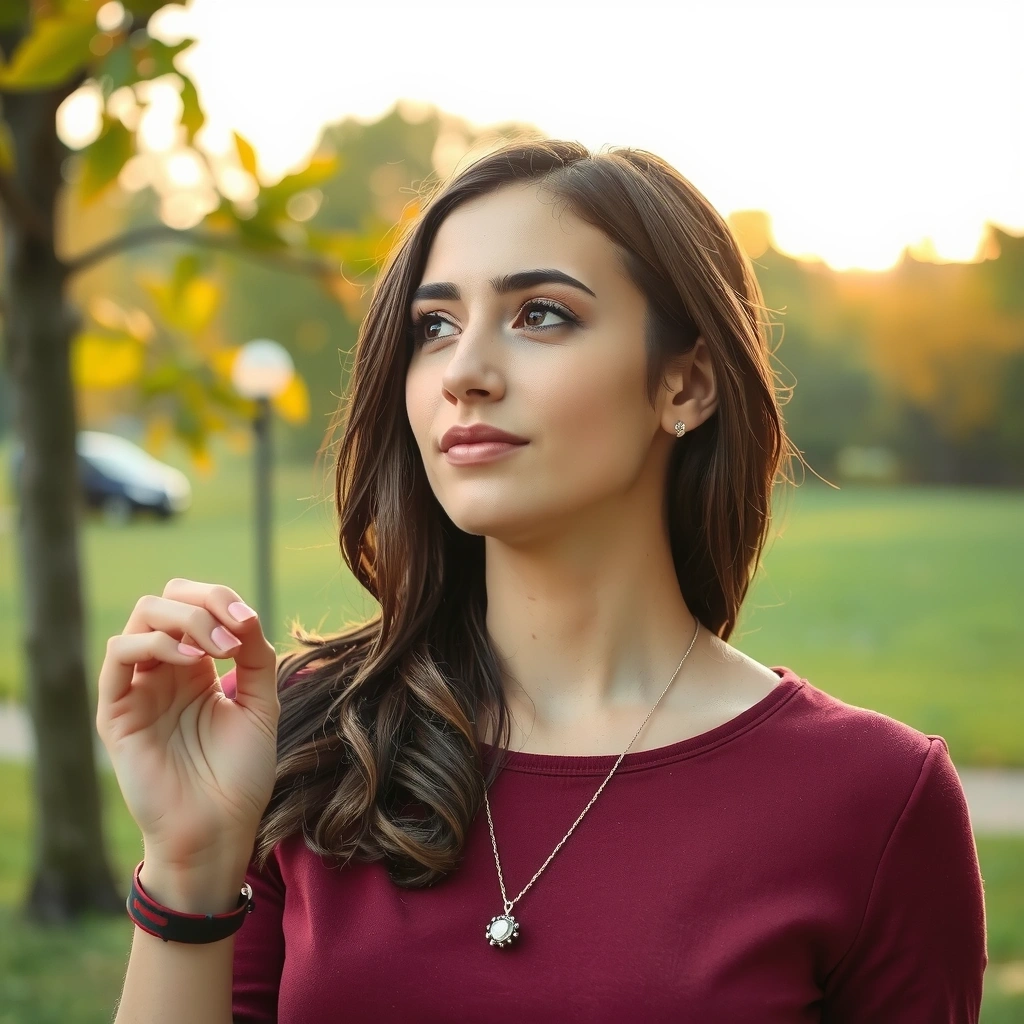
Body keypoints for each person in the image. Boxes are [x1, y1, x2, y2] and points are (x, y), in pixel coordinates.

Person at [96, 138, 987, 1024]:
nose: (464, 375)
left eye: (541, 315)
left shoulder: (875, 799)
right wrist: (189, 860)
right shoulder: (306, 738)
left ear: (686, 383)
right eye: (434, 327)